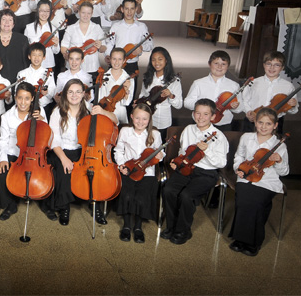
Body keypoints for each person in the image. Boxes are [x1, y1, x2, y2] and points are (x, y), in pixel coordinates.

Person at [48, 79, 117, 225]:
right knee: (63, 171)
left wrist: (103, 112)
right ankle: (64, 208)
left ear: (83, 94)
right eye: (70, 92)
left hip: (85, 151)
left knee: (94, 172)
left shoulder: (91, 109)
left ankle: (95, 205)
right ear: (65, 93)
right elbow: (54, 140)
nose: (74, 95)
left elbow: (115, 120)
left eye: (78, 92)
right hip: (63, 150)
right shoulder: (57, 112)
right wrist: (64, 158)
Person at [162, 98, 229, 245]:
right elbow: (183, 151)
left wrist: (208, 151)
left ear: (212, 116)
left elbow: (221, 163)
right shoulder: (188, 130)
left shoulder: (219, 137)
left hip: (207, 173)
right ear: (193, 114)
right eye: (198, 113)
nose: (201, 117)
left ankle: (183, 230)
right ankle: (171, 226)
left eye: (205, 114)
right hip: (186, 168)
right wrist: (177, 162)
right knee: (169, 190)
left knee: (187, 196)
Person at [229, 108, 289, 256]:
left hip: (267, 180)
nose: (263, 126)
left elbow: (284, 172)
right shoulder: (246, 137)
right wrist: (238, 169)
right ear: (255, 123)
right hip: (245, 175)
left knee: (256, 202)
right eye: (260, 122)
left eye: (268, 123)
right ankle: (239, 238)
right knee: (243, 200)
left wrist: (279, 160)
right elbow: (239, 156)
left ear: (275, 125)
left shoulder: (280, 145)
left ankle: (253, 242)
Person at [0, 82, 47, 221]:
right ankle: (10, 205)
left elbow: (47, 136)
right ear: (15, 97)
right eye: (20, 98)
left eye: (27, 98)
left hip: (34, 155)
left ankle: (45, 203)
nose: (23, 102)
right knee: (1, 173)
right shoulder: (6, 116)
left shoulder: (39, 112)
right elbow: (3, 140)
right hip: (14, 154)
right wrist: (3, 159)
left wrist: (42, 122)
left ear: (32, 99)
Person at [114, 104, 162, 243]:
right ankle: (127, 226)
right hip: (129, 169)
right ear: (132, 117)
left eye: (144, 119)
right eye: (137, 118)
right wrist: (122, 165)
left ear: (149, 119)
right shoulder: (125, 131)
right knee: (128, 195)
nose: (140, 122)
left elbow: (160, 152)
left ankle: (138, 227)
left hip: (147, 172)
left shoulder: (155, 134)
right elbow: (118, 150)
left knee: (142, 196)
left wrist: (160, 155)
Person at [105, 0, 153, 99]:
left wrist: (141, 47)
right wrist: (109, 56)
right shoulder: (116, 26)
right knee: (111, 94)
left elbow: (150, 45)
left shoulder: (142, 27)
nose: (129, 12)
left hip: (132, 65)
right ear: (122, 9)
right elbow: (109, 43)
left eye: (132, 8)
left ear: (136, 9)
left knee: (129, 95)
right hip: (116, 64)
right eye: (126, 8)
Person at [184, 50, 243, 132]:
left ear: (228, 66)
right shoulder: (198, 83)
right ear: (209, 64)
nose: (219, 67)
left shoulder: (234, 85)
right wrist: (203, 107)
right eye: (216, 63)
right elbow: (187, 102)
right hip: (200, 123)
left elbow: (239, 108)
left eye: (223, 64)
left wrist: (235, 107)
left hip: (223, 124)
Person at [242, 51, 299, 133]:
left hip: (275, 122)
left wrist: (293, 105)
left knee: (272, 144)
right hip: (254, 119)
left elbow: (293, 110)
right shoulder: (253, 82)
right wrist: (249, 112)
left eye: (277, 65)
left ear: (282, 67)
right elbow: (245, 100)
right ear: (264, 65)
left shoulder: (288, 86)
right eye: (269, 64)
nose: (272, 68)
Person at [137, 47, 182, 141]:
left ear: (166, 60)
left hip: (163, 121)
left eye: (160, 59)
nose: (156, 63)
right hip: (146, 119)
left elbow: (179, 105)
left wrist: (171, 95)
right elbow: (142, 95)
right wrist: (138, 103)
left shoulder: (174, 80)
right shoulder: (147, 78)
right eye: (153, 60)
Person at [60, 1, 107, 77]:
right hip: (73, 67)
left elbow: (103, 48)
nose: (86, 16)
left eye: (89, 13)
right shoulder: (70, 28)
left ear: (92, 14)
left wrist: (100, 46)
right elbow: (63, 46)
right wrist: (66, 54)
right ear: (78, 12)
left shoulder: (97, 28)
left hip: (92, 67)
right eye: (83, 13)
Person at [17, 43, 56, 117]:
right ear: (29, 56)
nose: (36, 58)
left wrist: (46, 93)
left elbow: (53, 91)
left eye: (39, 55)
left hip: (44, 107)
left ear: (44, 57)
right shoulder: (22, 73)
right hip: (25, 107)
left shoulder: (49, 73)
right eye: (34, 55)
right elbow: (17, 91)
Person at [98, 48, 134, 125]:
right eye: (114, 59)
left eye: (120, 59)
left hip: (121, 113)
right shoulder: (104, 77)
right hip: (106, 112)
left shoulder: (128, 79)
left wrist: (126, 91)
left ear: (124, 60)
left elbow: (126, 103)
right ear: (110, 59)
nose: (117, 62)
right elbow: (100, 97)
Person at [24, 0, 60, 71]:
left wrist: (56, 44)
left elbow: (56, 51)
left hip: (48, 64)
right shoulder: (29, 27)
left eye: (47, 11)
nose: (45, 13)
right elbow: (25, 48)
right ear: (37, 11)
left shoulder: (53, 29)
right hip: (32, 64)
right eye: (42, 11)